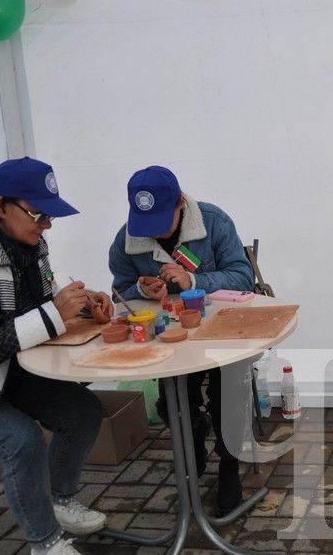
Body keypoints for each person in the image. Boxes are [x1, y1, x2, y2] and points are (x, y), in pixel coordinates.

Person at [0, 157, 114, 555]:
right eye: (39, 214)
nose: (47, 225)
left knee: (83, 411)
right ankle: (44, 543)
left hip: (5, 367)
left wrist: (83, 303)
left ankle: (58, 500)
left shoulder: (25, 239)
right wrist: (53, 314)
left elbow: (42, 296)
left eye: (51, 216)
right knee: (21, 439)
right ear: (0, 205)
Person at [108, 165, 253, 516]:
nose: (155, 232)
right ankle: (192, 440)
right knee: (173, 396)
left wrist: (192, 280)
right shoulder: (126, 238)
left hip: (223, 331)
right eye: (147, 224)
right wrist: (139, 289)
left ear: (180, 204)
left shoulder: (214, 222)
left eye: (163, 220)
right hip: (170, 335)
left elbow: (243, 276)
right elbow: (118, 291)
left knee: (226, 389)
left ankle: (229, 462)